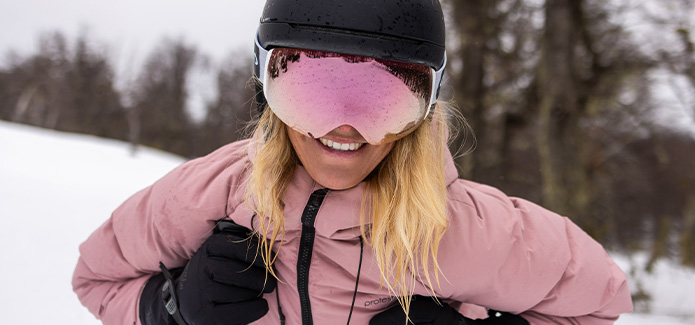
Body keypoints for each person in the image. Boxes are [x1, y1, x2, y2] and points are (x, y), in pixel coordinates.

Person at [72, 0, 633, 324]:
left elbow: (601, 306)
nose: (343, 127)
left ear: (427, 104)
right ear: (268, 85)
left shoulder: (464, 230)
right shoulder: (213, 193)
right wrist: (169, 308)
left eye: (382, 99)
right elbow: (96, 278)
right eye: (313, 90)